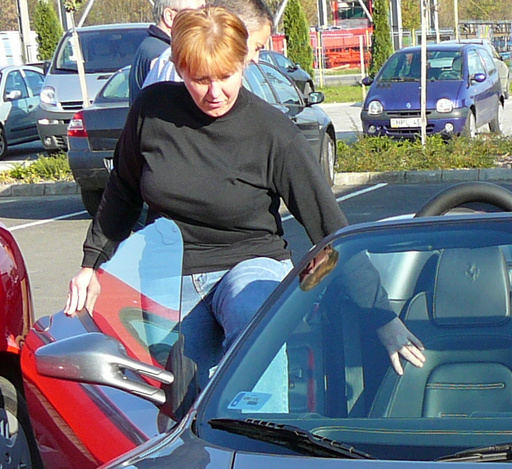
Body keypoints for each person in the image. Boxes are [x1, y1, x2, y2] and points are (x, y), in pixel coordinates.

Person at [66, 8, 423, 383]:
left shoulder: (273, 133)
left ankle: (260, 429)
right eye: (200, 79)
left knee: (254, 334)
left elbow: (328, 225)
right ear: (179, 67)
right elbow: (122, 191)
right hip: (171, 272)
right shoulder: (151, 112)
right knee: (183, 394)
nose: (214, 92)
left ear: (244, 63)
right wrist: (91, 265)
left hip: (250, 261)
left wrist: (381, 315)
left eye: (226, 76)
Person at [145, 0, 273, 85]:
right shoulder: (189, 61)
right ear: (237, 32)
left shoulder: (170, 57)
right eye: (257, 47)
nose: (256, 59)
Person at [130, 0, 206, 100]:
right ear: (170, 17)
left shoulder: (149, 46)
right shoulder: (166, 57)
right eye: (197, 13)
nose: (205, 20)